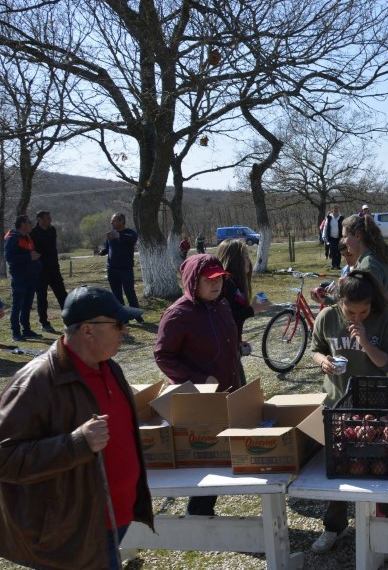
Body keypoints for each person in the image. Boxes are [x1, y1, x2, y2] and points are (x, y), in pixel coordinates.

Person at [0, 285, 153, 570]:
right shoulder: (36, 381)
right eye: (118, 324)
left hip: (113, 519)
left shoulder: (109, 367)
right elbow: (5, 458)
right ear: (87, 330)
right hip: (74, 533)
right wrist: (76, 443)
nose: (125, 331)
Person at [308, 270, 388, 554]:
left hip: (374, 403)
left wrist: (365, 343)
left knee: (380, 465)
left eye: (364, 311)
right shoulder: (327, 317)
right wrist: (323, 362)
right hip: (338, 401)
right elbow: (316, 348)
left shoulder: (382, 320)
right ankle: (334, 526)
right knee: (340, 465)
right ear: (340, 302)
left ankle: (382, 526)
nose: (357, 317)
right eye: (351, 311)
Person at [154, 254, 240, 517]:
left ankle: (204, 508)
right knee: (206, 454)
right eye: (208, 280)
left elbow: (224, 338)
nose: (216, 285)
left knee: (225, 451)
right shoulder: (178, 314)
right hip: (198, 398)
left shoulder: (222, 305)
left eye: (219, 279)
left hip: (226, 391)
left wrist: (238, 347)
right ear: (194, 281)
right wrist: (198, 380)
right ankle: (199, 512)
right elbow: (163, 355)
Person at [216, 239, 272, 384]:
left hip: (232, 347)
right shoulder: (226, 283)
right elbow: (226, 319)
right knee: (238, 392)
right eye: (245, 257)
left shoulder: (233, 282)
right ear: (234, 260)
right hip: (223, 352)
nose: (249, 261)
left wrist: (238, 341)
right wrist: (252, 310)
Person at [342, 214, 388, 304]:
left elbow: (365, 304)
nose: (343, 241)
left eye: (345, 236)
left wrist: (342, 289)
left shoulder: (369, 264)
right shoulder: (370, 258)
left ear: (357, 236)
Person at [4, 215, 42, 341]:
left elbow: (31, 253)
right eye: (29, 222)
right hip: (19, 277)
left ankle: (26, 330)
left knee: (27, 305)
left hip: (31, 276)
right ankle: (16, 333)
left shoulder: (27, 237)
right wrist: (29, 258)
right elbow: (9, 258)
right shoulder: (12, 238)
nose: (31, 224)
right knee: (17, 305)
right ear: (22, 224)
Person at [99, 213, 143, 321]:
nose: (112, 223)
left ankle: (136, 315)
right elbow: (107, 248)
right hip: (112, 269)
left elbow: (132, 240)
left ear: (121, 221)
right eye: (112, 221)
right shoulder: (111, 235)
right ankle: (123, 317)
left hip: (125, 269)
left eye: (114, 221)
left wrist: (119, 236)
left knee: (129, 292)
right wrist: (101, 251)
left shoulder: (130, 233)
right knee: (116, 294)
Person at [32, 210, 69, 333]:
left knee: (62, 295)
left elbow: (51, 248)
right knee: (42, 297)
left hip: (54, 268)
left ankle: (69, 319)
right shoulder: (33, 232)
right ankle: (44, 323)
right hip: (41, 270)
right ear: (40, 219)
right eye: (47, 218)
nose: (50, 220)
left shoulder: (52, 230)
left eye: (50, 218)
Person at [324, 205, 344, 271]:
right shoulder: (329, 217)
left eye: (337, 208)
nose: (336, 209)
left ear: (338, 209)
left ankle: (338, 266)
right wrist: (325, 236)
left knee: (338, 252)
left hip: (339, 237)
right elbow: (326, 227)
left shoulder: (341, 218)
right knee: (333, 251)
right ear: (332, 209)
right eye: (334, 208)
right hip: (331, 237)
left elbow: (344, 227)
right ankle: (333, 265)